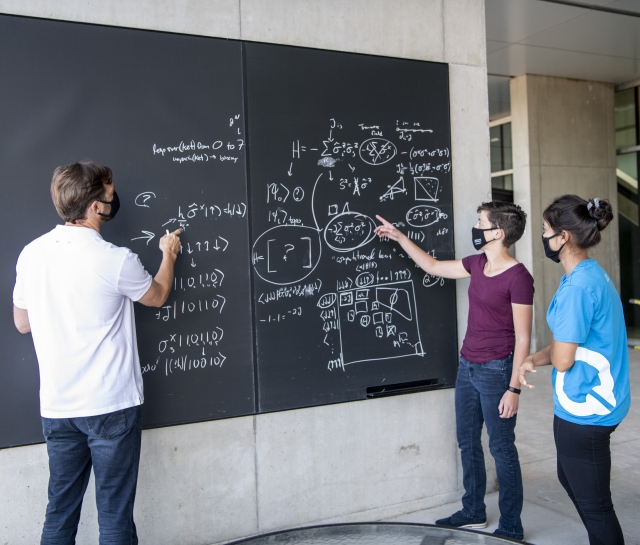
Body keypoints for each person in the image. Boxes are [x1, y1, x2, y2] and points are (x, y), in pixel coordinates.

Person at [13, 161, 182, 545]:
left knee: (59, 514)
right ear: (94, 206)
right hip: (110, 405)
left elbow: (23, 322)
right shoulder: (113, 258)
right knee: (114, 515)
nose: (113, 198)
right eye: (109, 193)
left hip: (58, 408)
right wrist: (168, 253)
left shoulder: (31, 254)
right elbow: (155, 296)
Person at [375, 201, 533, 540]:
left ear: (498, 232)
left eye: (481, 222)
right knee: (467, 441)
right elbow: (432, 266)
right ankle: (473, 511)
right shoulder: (477, 263)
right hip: (468, 366)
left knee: (502, 448)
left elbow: (523, 339)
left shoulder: (519, 278)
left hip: (497, 370)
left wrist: (514, 387)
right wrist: (400, 237)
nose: (475, 227)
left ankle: (511, 525)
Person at [519, 195, 630, 545]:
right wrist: (533, 359)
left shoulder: (578, 288)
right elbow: (570, 343)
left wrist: (539, 358)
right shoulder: (589, 273)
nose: (543, 237)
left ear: (563, 236)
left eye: (545, 230)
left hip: (587, 409)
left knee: (595, 507)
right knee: (571, 480)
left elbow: (565, 357)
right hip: (589, 401)